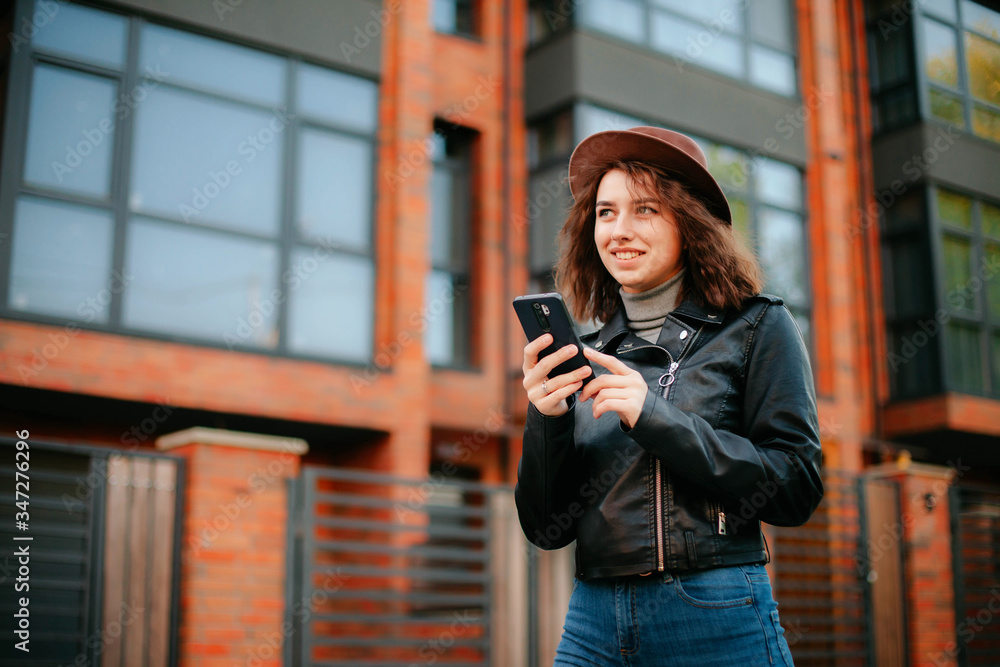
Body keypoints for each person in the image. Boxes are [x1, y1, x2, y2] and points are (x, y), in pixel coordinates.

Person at [514, 126, 823, 666]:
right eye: (605, 213)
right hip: (593, 618)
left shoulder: (757, 327)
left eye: (644, 210)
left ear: (690, 220)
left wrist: (653, 416)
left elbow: (796, 487)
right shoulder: (588, 354)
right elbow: (546, 529)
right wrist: (547, 419)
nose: (618, 230)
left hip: (716, 610)